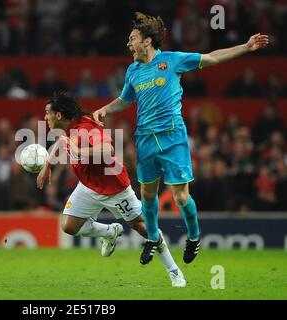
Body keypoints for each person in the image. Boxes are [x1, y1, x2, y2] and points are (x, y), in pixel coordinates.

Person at [92, 12, 269, 265]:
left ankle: (194, 237)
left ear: (147, 41)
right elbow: (125, 100)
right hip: (145, 138)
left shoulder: (172, 61)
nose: (128, 44)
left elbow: (210, 58)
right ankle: (153, 238)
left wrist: (245, 46)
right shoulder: (132, 71)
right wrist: (106, 109)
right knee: (147, 194)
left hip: (172, 135)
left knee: (181, 197)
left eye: (132, 39)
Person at [36, 91, 186, 287]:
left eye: (47, 113)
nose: (44, 117)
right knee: (69, 226)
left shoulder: (86, 128)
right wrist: (48, 163)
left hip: (114, 188)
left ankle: (174, 271)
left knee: (142, 227)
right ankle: (109, 232)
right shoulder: (68, 128)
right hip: (89, 186)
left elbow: (109, 150)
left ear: (58, 115)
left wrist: (79, 151)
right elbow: (62, 141)